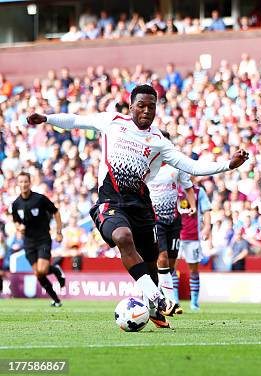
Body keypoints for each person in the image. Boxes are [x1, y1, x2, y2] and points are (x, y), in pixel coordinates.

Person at [26, 84, 249, 327]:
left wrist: (228, 164)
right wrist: (47, 118)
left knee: (152, 264)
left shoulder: (159, 142)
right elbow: (76, 120)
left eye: (151, 107)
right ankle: (158, 298)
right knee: (122, 237)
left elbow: (192, 166)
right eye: (141, 105)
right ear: (131, 106)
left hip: (141, 206)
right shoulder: (112, 121)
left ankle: (153, 310)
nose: (146, 110)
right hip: (110, 202)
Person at [148, 131, 197, 315]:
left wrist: (192, 206)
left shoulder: (176, 165)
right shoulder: (148, 165)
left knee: (171, 263)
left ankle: (161, 296)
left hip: (173, 219)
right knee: (161, 258)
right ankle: (170, 302)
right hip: (155, 219)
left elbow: (188, 187)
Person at [11, 172, 66, 306]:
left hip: (42, 238)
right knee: (38, 273)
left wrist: (59, 232)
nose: (23, 184)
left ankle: (56, 270)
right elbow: (16, 222)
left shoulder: (39, 199)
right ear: (17, 184)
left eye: (26, 182)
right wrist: (19, 228)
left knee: (42, 270)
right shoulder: (16, 204)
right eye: (21, 182)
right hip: (28, 242)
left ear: (30, 183)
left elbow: (56, 212)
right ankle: (56, 300)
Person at [177, 179, 212, 311]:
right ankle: (174, 301)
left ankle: (194, 303)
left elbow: (207, 210)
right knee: (171, 267)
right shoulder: (175, 189)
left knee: (193, 269)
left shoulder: (199, 191)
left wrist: (207, 227)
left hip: (193, 236)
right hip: (175, 233)